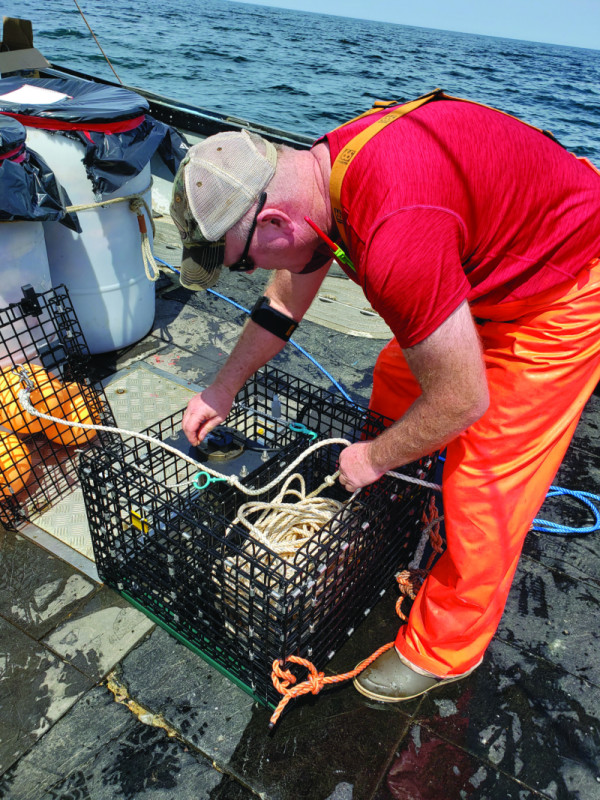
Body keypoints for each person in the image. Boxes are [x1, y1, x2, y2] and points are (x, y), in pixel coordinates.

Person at [169, 91, 600, 702]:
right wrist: (223, 385)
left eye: (239, 265)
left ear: (274, 223)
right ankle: (406, 514)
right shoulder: (320, 179)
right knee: (397, 378)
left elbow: (462, 403)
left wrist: (370, 459)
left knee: (485, 480)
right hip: (483, 260)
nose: (248, 275)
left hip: (565, 283)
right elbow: (287, 297)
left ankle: (446, 648)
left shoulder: (393, 233)